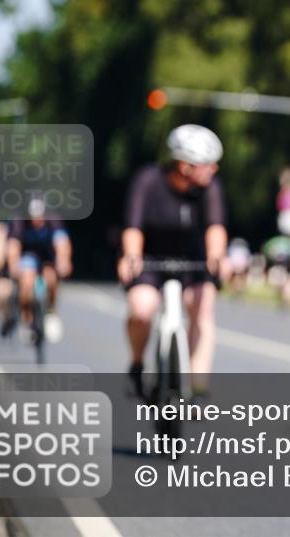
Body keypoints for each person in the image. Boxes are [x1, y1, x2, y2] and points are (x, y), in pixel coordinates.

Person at [117, 124, 229, 400]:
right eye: (207, 164)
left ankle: (198, 386)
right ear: (184, 165)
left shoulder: (209, 188)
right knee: (142, 309)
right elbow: (133, 226)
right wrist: (131, 258)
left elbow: (215, 226)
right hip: (151, 260)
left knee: (203, 307)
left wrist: (217, 257)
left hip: (193, 261)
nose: (213, 170)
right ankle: (137, 364)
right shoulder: (148, 180)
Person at [7, 199, 72, 342]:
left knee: (52, 279)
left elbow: (62, 244)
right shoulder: (20, 222)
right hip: (28, 256)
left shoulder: (53, 221)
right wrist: (13, 265)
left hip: (48, 258)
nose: (36, 221)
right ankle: (27, 318)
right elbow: (13, 246)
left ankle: (51, 311)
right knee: (27, 283)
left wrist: (64, 261)